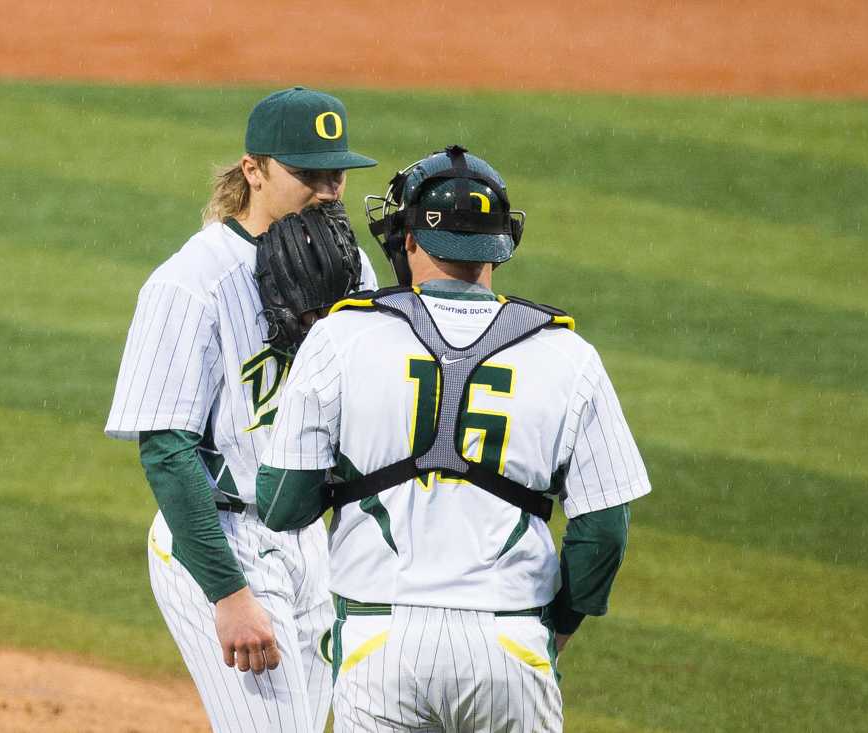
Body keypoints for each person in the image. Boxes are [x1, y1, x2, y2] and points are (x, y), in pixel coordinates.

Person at [255, 145, 651, 732]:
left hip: (379, 642)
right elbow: (604, 532)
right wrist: (555, 628)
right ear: (503, 245)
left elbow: (282, 503)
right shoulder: (569, 354)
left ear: (409, 240)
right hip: (510, 639)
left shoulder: (341, 336)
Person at [105, 86, 378, 733]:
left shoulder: (353, 267)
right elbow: (167, 451)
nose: (327, 189)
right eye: (307, 173)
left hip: (313, 541)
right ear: (253, 171)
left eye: (336, 172)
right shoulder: (191, 282)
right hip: (223, 541)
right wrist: (227, 594)